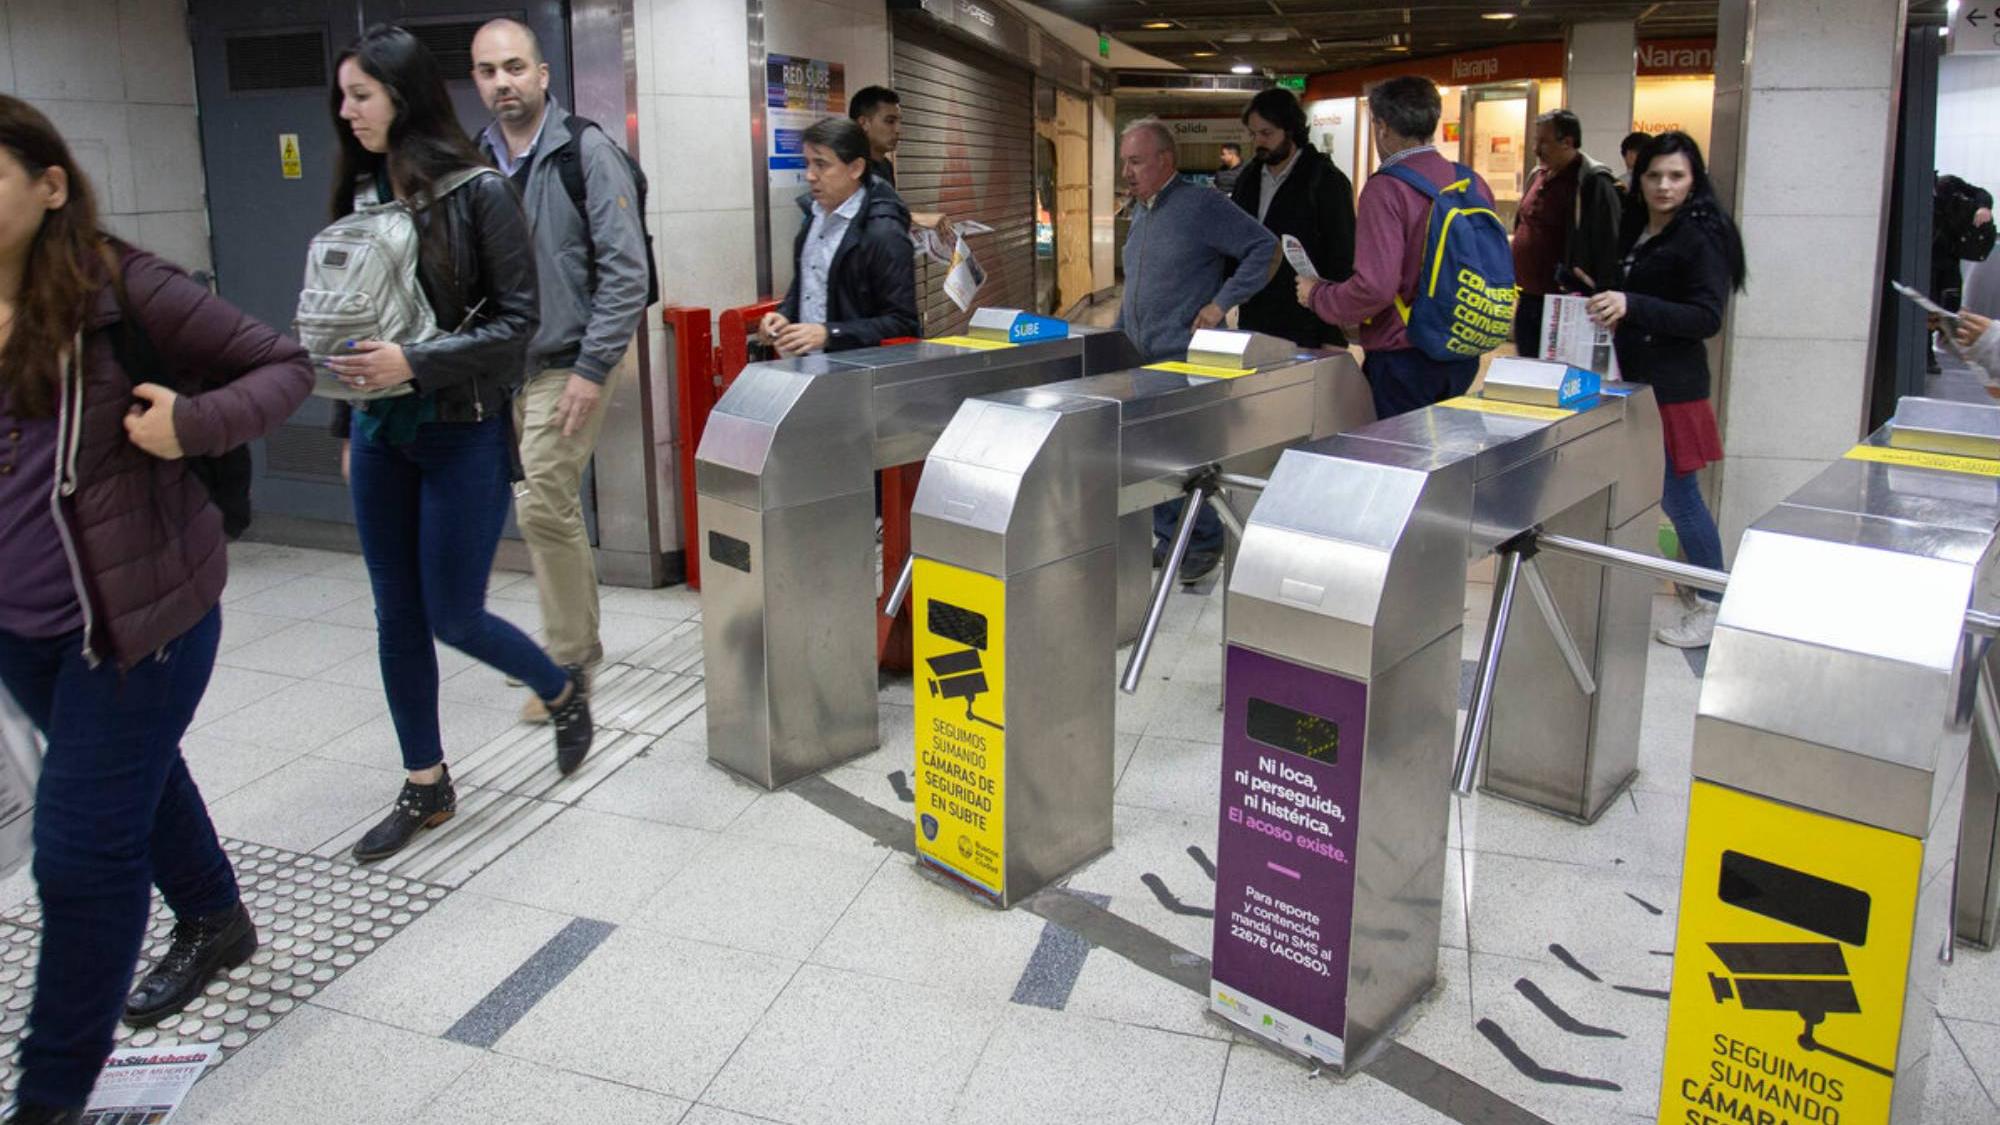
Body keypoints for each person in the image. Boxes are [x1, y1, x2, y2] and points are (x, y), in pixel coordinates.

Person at [0, 95, 313, 1124]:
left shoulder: (118, 287)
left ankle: (47, 1102)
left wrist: (194, 424)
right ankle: (217, 919)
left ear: (50, 187)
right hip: (24, 630)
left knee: (81, 855)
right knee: (135, 773)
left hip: (143, 626)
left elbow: (284, 365)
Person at [327, 25, 594, 864]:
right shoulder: (365, 190)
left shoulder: (480, 193)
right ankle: (426, 782)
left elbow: (518, 328)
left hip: (462, 431)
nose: (346, 112)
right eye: (342, 96)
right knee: (394, 615)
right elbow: (346, 317)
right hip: (381, 433)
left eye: (360, 95)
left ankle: (560, 687)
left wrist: (414, 360)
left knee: (451, 611)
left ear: (401, 98)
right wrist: (346, 418)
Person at [470, 18, 649, 721]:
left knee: (543, 495)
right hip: (503, 369)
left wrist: (592, 366)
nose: (502, 82)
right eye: (488, 71)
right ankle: (566, 644)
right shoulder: (479, 162)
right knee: (543, 502)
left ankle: (569, 663)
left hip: (571, 359)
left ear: (544, 75)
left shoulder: (586, 152)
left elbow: (626, 272)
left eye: (515, 67)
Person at [1583, 131, 1746, 649]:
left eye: (1676, 175)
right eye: (1654, 175)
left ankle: (1712, 603)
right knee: (1662, 495)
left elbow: (1705, 317)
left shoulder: (1702, 237)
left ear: (1694, 178)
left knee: (1681, 499)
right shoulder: (1637, 226)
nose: (1663, 185)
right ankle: (1697, 594)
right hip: (1629, 381)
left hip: (1673, 389)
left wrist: (1633, 305)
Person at [1115, 117, 1277, 585]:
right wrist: (1117, 331)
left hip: (1183, 354)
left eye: (1136, 161)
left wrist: (1220, 303)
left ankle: (1201, 542)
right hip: (1143, 355)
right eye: (1125, 161)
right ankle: (1172, 537)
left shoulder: (1200, 204)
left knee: (1179, 455)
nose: (1127, 171)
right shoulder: (1142, 208)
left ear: (1166, 161)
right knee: (1152, 454)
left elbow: (1263, 248)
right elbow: (1139, 284)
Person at [1295, 76, 1494, 419]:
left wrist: (1318, 296)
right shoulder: (1469, 181)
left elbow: (1376, 286)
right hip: (1462, 349)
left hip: (1406, 357)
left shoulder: (1387, 188)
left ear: (1382, 127)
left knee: (1397, 461)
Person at [760, 117, 919, 356]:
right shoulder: (814, 217)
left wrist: (830, 334)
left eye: (821, 164)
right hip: (811, 371)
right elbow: (808, 283)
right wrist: (784, 314)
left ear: (856, 168)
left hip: (859, 379)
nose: (810, 175)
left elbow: (903, 323)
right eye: (808, 163)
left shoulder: (884, 234)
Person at [1228, 87, 1355, 349]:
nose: (1258, 142)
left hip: (1309, 321)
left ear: (1290, 129)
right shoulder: (1248, 178)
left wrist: (1334, 327)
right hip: (1256, 315)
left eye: (1266, 133)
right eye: (1253, 134)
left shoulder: (1326, 180)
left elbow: (1342, 253)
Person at [1511, 108, 1624, 358]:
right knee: (1527, 371)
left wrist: (1604, 295)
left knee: (1557, 378)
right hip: (1529, 297)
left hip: (1566, 304)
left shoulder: (1593, 182)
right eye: (1535, 141)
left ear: (1568, 142)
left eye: (1544, 142)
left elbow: (1608, 245)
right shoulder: (1538, 175)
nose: (1536, 149)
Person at [849, 86, 901, 186]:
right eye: (890, 121)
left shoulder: (886, 166)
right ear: (863, 123)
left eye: (899, 122)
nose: (898, 130)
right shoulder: (849, 168)